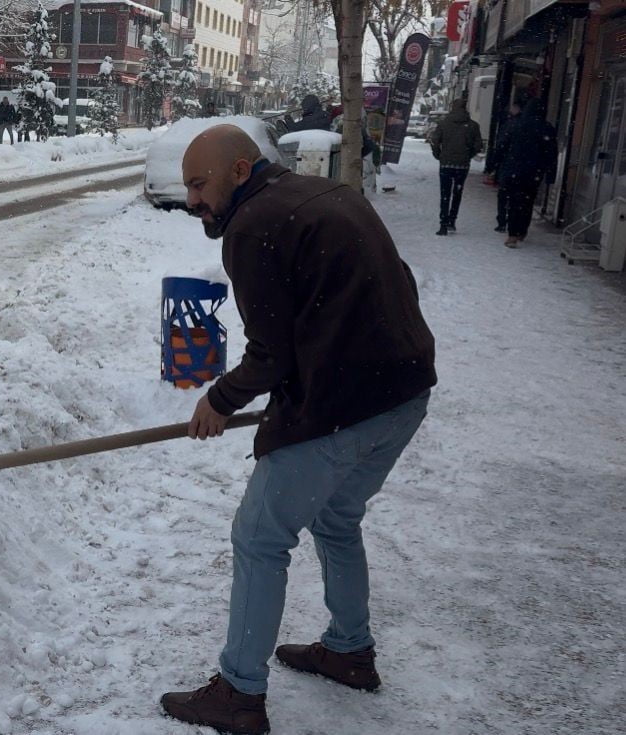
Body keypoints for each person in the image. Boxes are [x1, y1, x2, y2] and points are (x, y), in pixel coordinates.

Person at [160, 125, 437, 735]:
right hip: (404, 393)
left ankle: (237, 693)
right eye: (186, 187)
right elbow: (397, 280)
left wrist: (221, 400)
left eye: (199, 184)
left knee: (259, 539)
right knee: (337, 521)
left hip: (343, 403)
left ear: (239, 170)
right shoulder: (327, 193)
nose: (192, 200)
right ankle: (348, 651)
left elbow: (272, 353)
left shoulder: (255, 226)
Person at [492, 99, 558, 247]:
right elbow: (551, 154)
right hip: (533, 173)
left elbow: (502, 145)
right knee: (527, 202)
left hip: (513, 169)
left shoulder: (515, 125)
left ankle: (512, 234)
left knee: (514, 202)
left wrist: (495, 164)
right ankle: (522, 230)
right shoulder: (546, 128)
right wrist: (550, 175)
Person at [428, 98, 483, 236]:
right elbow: (478, 145)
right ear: (465, 108)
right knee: (457, 193)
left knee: (445, 194)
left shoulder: (444, 123)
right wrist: (468, 155)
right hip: (462, 165)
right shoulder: (473, 125)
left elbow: (435, 141)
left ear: (453, 107)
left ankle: (443, 224)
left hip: (446, 163)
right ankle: (452, 220)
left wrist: (438, 154)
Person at [486, 101, 523, 233]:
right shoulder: (523, 125)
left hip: (508, 166)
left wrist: (493, 164)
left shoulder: (510, 125)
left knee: (504, 195)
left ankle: (502, 221)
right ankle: (515, 224)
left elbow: (501, 146)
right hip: (522, 168)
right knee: (517, 198)